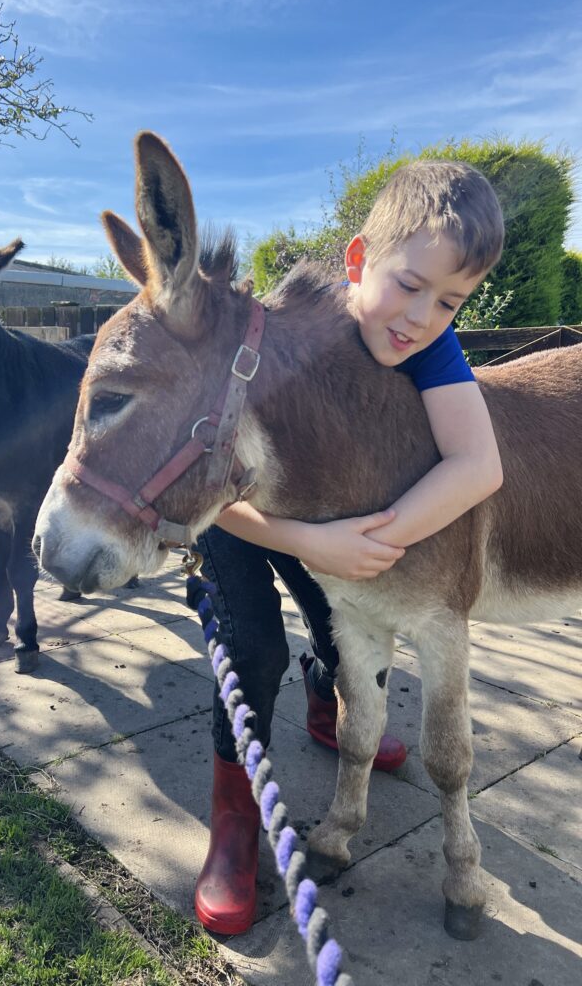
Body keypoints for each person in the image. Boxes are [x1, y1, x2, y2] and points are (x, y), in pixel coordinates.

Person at [194, 160, 506, 936]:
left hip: (331, 521)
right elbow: (207, 485)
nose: (422, 316)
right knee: (252, 648)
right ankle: (234, 815)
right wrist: (310, 543)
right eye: (409, 285)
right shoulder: (284, 337)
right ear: (360, 260)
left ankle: (331, 712)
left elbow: (481, 464)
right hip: (239, 510)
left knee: (344, 642)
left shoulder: (429, 342)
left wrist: (379, 540)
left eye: (450, 301)